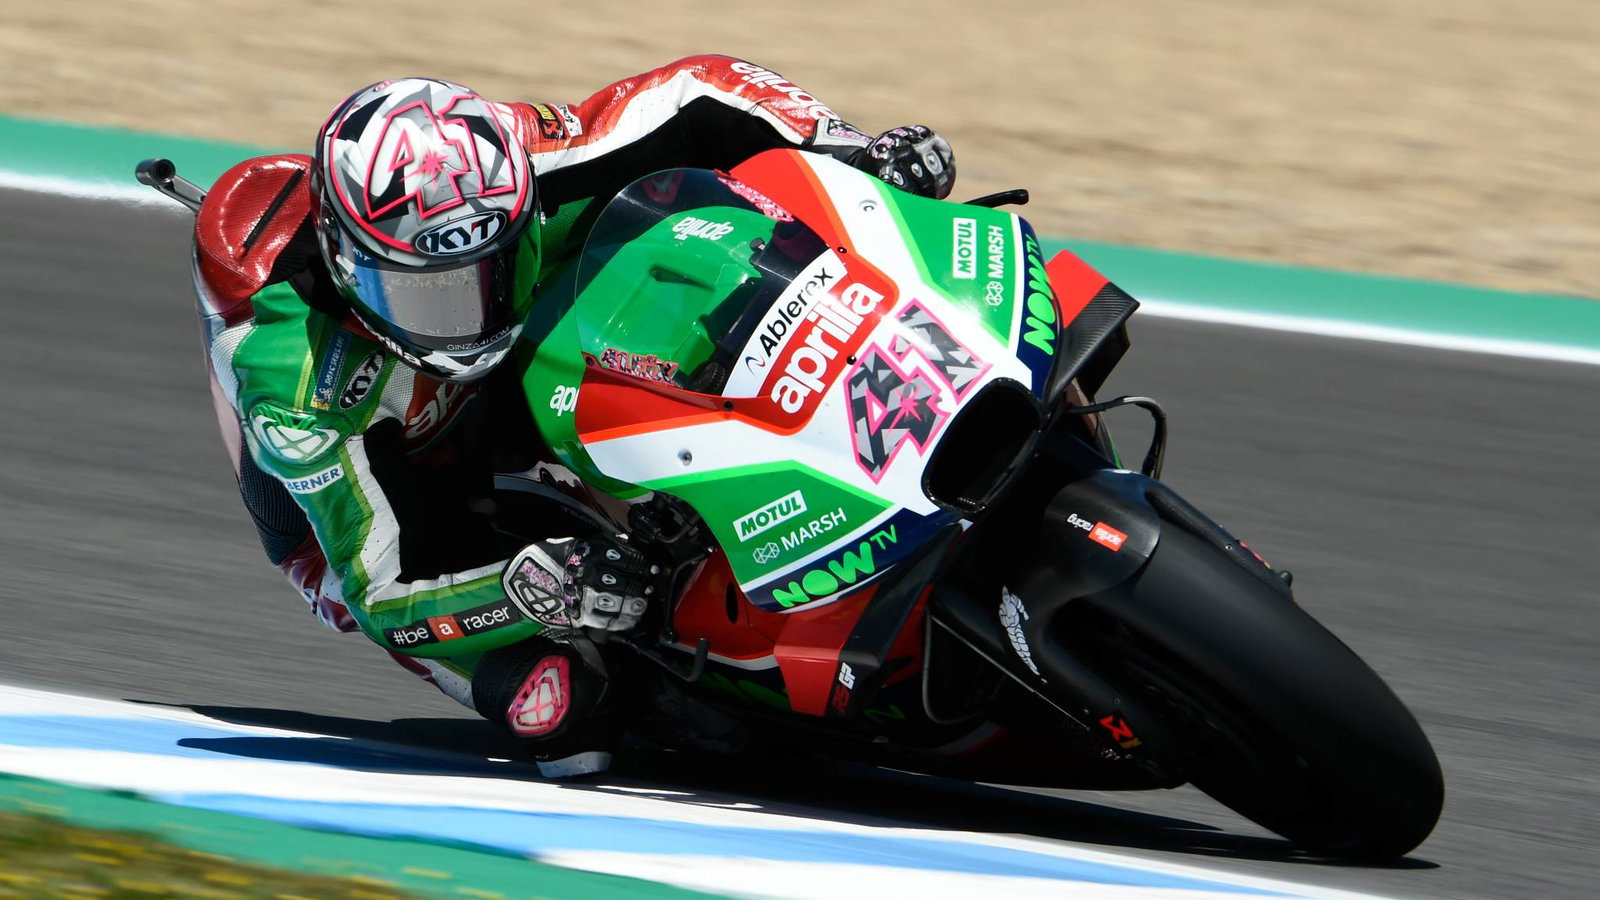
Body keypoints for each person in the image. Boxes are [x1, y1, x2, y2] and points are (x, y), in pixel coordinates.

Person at [190, 54, 956, 777]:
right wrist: (535, 586)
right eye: (436, 294)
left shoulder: (516, 162)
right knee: (570, 710)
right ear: (351, 267)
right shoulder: (295, 387)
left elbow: (698, 91)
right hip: (386, 494)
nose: (475, 312)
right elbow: (383, 595)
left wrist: (846, 149)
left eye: (495, 266)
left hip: (523, 367)